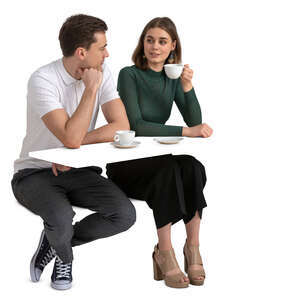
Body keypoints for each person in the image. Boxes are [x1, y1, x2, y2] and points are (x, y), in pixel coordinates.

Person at [11, 14, 136, 290]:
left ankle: (55, 242)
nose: (107, 54)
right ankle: (64, 255)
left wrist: (70, 152)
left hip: (77, 169)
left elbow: (121, 125)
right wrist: (90, 90)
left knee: (124, 215)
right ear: (82, 52)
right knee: (61, 219)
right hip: (34, 172)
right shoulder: (42, 79)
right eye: (102, 48)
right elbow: (69, 136)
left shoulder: (105, 71)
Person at [106, 17, 213, 288]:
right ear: (143, 44)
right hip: (126, 163)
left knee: (192, 166)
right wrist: (187, 132)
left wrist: (187, 88)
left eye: (162, 41)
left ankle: (193, 247)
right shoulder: (129, 74)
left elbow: (194, 121)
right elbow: (138, 126)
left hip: (156, 160)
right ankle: (164, 252)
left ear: (172, 46)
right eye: (149, 40)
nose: (154, 46)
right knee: (167, 169)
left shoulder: (172, 77)